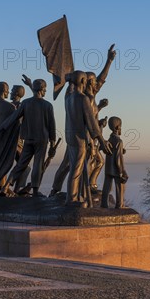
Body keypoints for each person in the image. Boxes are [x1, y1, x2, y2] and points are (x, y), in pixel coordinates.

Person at [48, 44, 115, 196]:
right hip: (83, 135)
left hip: (86, 135)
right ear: (86, 82)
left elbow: (102, 79)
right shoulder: (82, 97)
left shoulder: (87, 95)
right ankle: (64, 191)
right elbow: (89, 120)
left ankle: (84, 188)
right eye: (92, 80)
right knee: (72, 164)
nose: (96, 82)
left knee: (85, 163)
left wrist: (109, 61)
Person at [0, 79, 56, 197]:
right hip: (42, 139)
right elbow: (52, 126)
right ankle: (35, 192)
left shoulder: (26, 103)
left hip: (28, 138)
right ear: (42, 90)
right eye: (45, 89)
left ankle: (5, 187)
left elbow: (12, 118)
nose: (46, 91)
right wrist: (52, 143)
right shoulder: (47, 105)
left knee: (21, 164)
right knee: (38, 164)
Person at [64, 71, 111, 206]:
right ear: (84, 82)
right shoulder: (83, 98)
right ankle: (71, 199)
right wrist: (102, 141)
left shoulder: (68, 97)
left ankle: (72, 197)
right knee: (77, 169)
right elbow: (91, 123)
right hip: (79, 137)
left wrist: (69, 79)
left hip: (70, 136)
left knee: (74, 166)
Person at [101, 116, 128, 208]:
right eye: (120, 126)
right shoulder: (119, 141)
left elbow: (110, 151)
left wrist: (121, 150)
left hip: (108, 168)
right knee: (119, 186)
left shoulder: (110, 139)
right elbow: (118, 158)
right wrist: (122, 171)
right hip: (116, 168)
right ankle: (119, 205)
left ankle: (104, 204)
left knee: (107, 186)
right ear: (117, 127)